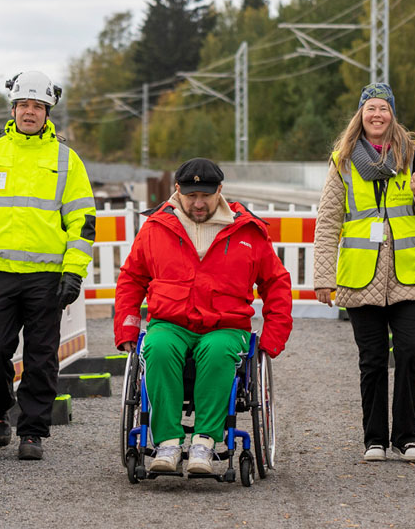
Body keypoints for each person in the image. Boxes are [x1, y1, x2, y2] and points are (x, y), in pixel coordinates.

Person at [0, 70, 96, 461]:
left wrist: (73, 273)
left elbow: (82, 222)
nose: (30, 112)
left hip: (47, 278)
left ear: (48, 112)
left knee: (42, 357)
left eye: (38, 106)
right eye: (24, 105)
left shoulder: (66, 161)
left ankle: (32, 432)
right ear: (13, 109)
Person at [114, 158, 293, 476]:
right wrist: (127, 328)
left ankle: (204, 443)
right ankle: (167, 443)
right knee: (157, 346)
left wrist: (274, 335)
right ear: (177, 191)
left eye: (206, 196)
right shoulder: (155, 227)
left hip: (225, 324)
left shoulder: (248, 230)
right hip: (171, 321)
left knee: (218, 351)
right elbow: (131, 278)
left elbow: (276, 282)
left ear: (220, 191)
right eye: (191, 195)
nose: (198, 203)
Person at [312, 82, 415, 464]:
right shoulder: (343, 161)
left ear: (392, 114)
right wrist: (323, 276)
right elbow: (329, 220)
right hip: (359, 275)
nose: (377, 114)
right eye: (370, 108)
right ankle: (375, 439)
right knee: (373, 359)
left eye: (383, 108)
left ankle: (406, 437)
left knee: (412, 351)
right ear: (360, 115)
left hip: (408, 275)